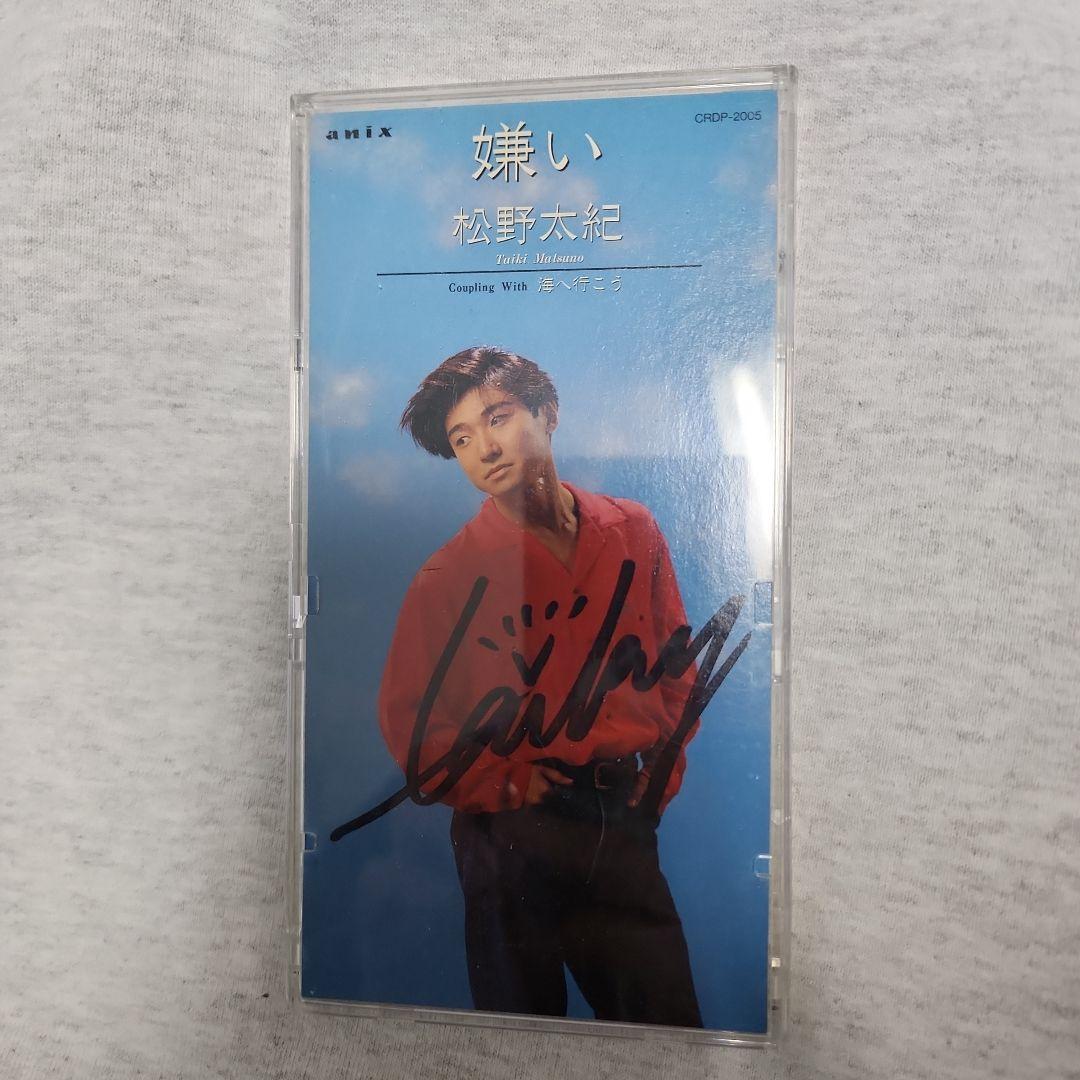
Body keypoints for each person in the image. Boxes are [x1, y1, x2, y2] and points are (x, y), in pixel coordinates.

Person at [378, 346, 703, 1027]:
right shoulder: (447, 577)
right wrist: (505, 784)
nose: (484, 448)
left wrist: (657, 780)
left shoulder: (633, 530)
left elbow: (677, 670)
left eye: (497, 417)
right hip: (508, 839)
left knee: (666, 1027)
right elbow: (411, 726)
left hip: (618, 822)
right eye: (461, 439)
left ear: (547, 412)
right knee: (519, 1037)